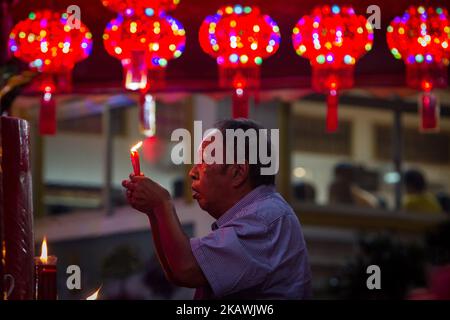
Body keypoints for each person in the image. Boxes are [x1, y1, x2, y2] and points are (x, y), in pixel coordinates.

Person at [122, 119, 312, 299]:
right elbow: (175, 274)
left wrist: (162, 204)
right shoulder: (261, 213)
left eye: (204, 161)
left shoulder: (265, 219)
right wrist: (154, 212)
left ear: (238, 173)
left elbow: (186, 269)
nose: (192, 172)